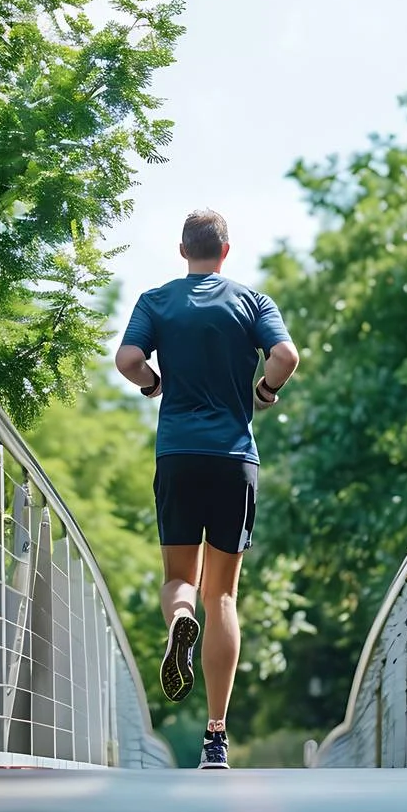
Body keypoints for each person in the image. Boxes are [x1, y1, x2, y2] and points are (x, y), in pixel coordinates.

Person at [115, 209, 298, 770]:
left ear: (182, 250)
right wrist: (265, 391)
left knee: (179, 580)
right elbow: (286, 356)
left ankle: (178, 623)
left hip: (177, 454)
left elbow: (127, 360)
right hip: (233, 459)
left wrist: (152, 383)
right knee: (222, 595)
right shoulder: (252, 301)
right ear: (225, 250)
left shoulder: (156, 300)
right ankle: (216, 737)